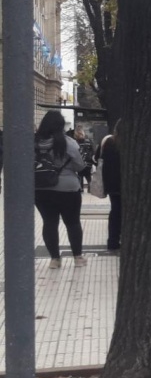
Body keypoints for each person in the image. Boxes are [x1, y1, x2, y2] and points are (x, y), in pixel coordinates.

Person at [35, 110, 87, 269]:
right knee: (72, 223)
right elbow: (80, 165)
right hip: (68, 189)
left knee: (49, 223)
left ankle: (54, 259)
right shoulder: (68, 143)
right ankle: (77, 258)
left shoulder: (33, 142)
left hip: (41, 188)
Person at [96, 121, 122, 252]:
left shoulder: (108, 142)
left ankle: (112, 241)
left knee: (115, 212)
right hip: (127, 184)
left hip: (112, 184)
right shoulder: (136, 143)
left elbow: (97, 158)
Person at [73, 126, 94, 192]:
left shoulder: (75, 142)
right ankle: (90, 188)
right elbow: (93, 151)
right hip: (88, 162)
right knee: (88, 176)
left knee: (80, 175)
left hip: (80, 161)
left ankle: (81, 188)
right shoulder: (89, 141)